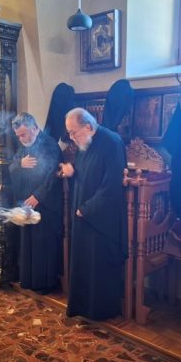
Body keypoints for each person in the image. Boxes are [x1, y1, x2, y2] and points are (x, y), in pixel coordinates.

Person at [59, 108, 128, 320]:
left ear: (88, 126)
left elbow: (112, 185)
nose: (71, 137)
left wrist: (88, 209)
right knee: (83, 263)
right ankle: (82, 308)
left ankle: (100, 311)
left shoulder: (112, 142)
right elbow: (86, 171)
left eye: (73, 132)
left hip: (102, 219)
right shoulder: (85, 142)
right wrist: (72, 171)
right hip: (83, 213)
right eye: (69, 133)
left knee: (99, 266)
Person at [9, 112, 63, 293]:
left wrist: (38, 196)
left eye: (23, 134)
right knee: (28, 243)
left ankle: (44, 284)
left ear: (34, 128)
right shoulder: (24, 146)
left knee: (42, 244)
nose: (21, 139)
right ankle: (29, 281)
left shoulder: (49, 145)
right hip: (27, 202)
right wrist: (20, 164)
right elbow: (12, 165)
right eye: (18, 136)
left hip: (46, 204)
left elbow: (52, 175)